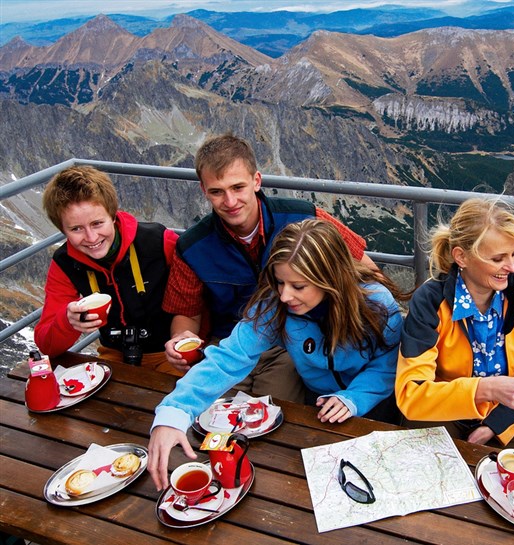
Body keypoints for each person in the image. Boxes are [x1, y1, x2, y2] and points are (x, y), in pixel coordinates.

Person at [147, 219, 404, 489]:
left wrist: (353, 398)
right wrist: (174, 412)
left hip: (377, 405)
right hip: (320, 406)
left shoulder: (377, 304)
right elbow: (228, 358)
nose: (284, 295)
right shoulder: (275, 307)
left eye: (298, 286)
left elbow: (387, 365)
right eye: (280, 282)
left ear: (330, 278)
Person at [162, 134, 377, 401]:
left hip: (292, 345)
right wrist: (181, 338)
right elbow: (186, 313)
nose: (230, 202)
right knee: (213, 415)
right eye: (217, 192)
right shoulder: (192, 247)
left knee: (273, 411)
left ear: (256, 181)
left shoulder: (307, 218)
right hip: (228, 344)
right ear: (204, 191)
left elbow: (368, 273)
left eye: (238, 187)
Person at [395, 198, 514, 449]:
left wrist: (495, 423)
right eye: (498, 258)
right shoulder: (430, 301)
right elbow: (411, 395)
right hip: (440, 412)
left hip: (505, 415)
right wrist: (485, 389)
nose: (511, 267)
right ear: (461, 257)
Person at [34, 165, 180, 375]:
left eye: (97, 223)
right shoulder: (64, 263)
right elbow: (47, 345)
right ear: (62, 230)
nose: (92, 238)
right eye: (76, 229)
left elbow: (198, 298)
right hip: (113, 355)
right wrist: (68, 322)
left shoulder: (160, 242)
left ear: (113, 216)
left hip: (170, 354)